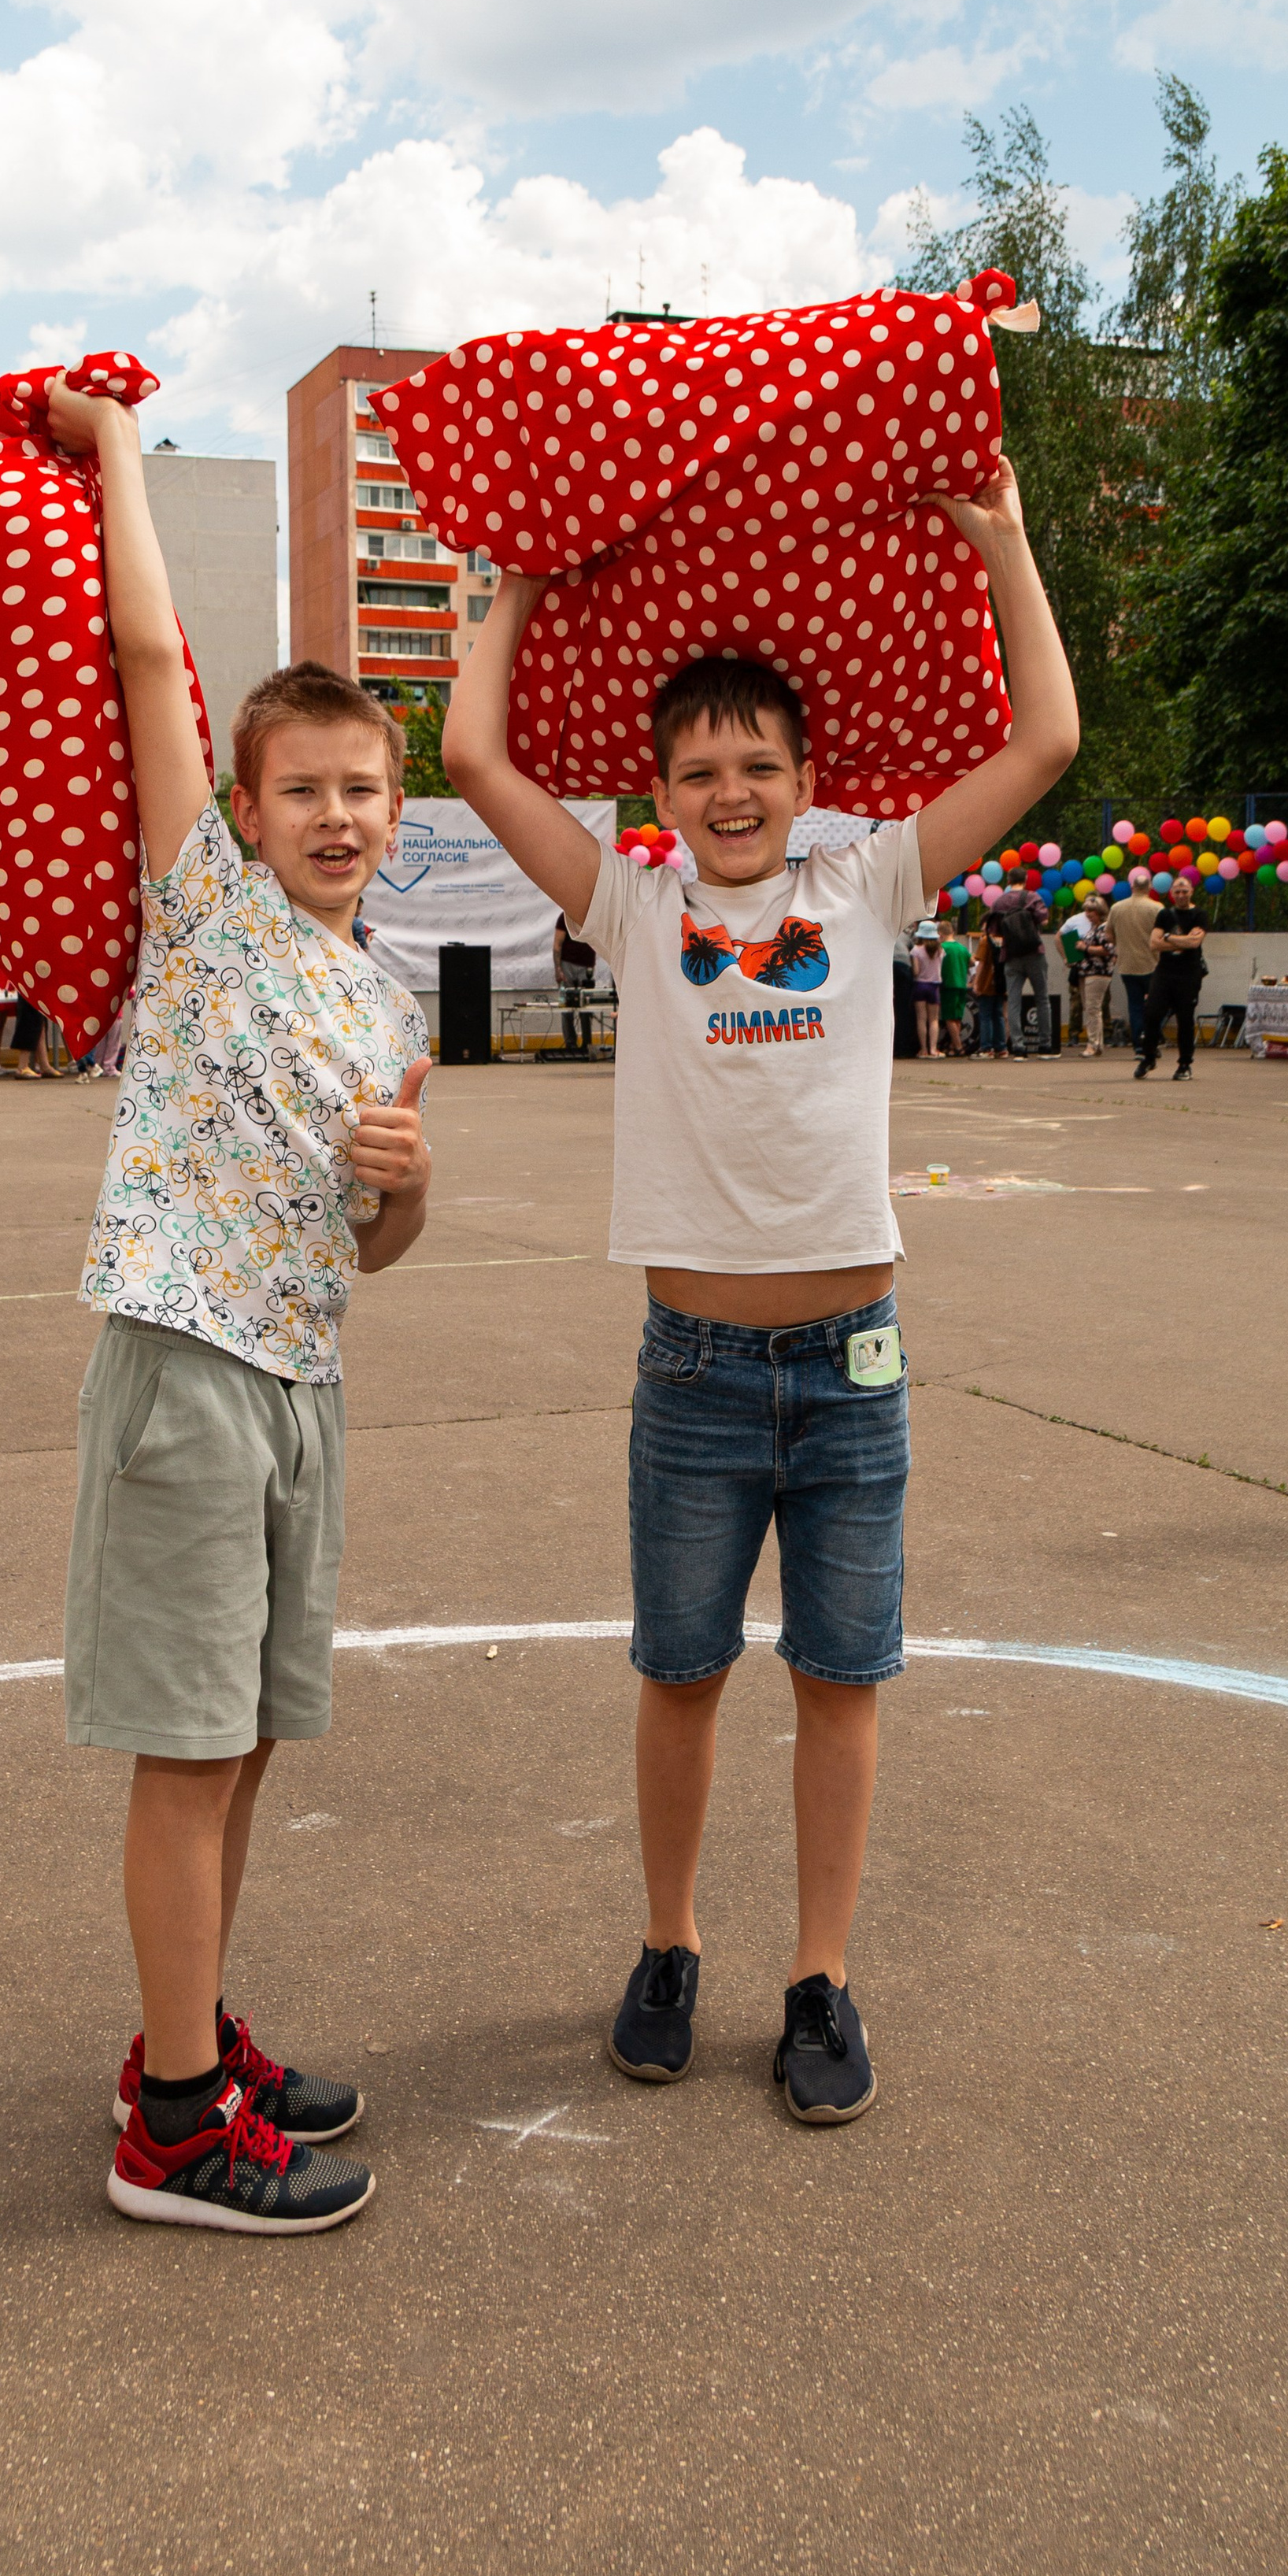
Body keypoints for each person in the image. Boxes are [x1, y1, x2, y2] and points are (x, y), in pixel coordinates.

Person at [444, 453, 1079, 2126]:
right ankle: (667, 1945)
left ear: (808, 777)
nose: (727, 794)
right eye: (695, 770)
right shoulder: (629, 901)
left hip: (851, 1369)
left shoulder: (863, 882)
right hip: (696, 1375)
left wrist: (1003, 544)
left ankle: (819, 1976)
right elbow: (467, 755)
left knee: (839, 1678)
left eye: (756, 766)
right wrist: (514, 579)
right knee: (675, 1671)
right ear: (654, 790)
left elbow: (1043, 746)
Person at [47, 370, 432, 2238]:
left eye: (364, 788)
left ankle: (183, 2035)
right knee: (188, 1740)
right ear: (252, 810)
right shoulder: (205, 913)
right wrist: (117, 451)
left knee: (248, 1728)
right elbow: (146, 663)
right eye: (304, 789)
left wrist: (402, 1200)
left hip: (299, 1377)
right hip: (190, 1359)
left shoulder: (387, 1006)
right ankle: (173, 2123)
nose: (336, 813)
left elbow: (367, 1248)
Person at [1135, 885, 1206, 1079]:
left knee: (1185, 1019)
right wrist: (1181, 940)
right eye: (1177, 892)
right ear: (1172, 894)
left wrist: (1168, 937)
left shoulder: (1199, 914)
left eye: (1185, 891)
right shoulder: (1165, 914)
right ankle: (1149, 1057)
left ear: (1192, 891)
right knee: (1152, 1013)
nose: (1181, 895)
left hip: (1189, 973)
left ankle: (1184, 1064)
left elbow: (1194, 943)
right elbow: (1154, 944)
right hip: (1164, 972)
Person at [987, 883, 1053, 1057]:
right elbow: (1044, 919)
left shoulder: (999, 902)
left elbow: (994, 931)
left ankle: (1018, 1047)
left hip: (1011, 955)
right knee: (1042, 999)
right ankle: (1045, 1046)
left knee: (1014, 1002)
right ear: (1024, 881)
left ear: (1008, 881)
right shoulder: (1032, 897)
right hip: (1034, 953)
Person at [1110, 874, 1163, 1052]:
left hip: (1127, 965)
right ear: (1149, 888)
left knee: (1135, 1005)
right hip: (1152, 964)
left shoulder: (1117, 908)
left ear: (1132, 887)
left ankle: (1138, 1045)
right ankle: (1151, 1041)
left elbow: (1109, 935)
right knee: (1156, 1005)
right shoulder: (1157, 908)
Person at [556, 910, 599, 1053]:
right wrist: (558, 969)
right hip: (568, 963)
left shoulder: (593, 917)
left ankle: (587, 1043)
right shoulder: (564, 918)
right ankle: (570, 1043)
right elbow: (557, 944)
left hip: (586, 966)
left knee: (585, 1007)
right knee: (567, 1005)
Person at [1079, 907, 1116, 1057]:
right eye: (1086, 911)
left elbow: (1108, 950)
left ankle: (1092, 1044)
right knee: (1093, 1009)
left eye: (1091, 912)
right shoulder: (1093, 928)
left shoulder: (1105, 928)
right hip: (1087, 971)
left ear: (1099, 913)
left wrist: (1085, 947)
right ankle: (1097, 1043)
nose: (1087, 915)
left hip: (1098, 972)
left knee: (1092, 1008)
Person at [970, 927, 1009, 1057]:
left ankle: (986, 1048)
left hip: (986, 984)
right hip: (1001, 985)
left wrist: (976, 983)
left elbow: (981, 964)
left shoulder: (985, 941)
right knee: (999, 1016)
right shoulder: (1005, 939)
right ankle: (1001, 1048)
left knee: (986, 1017)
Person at [939, 917, 972, 1056]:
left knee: (949, 1017)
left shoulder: (942, 948)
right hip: (962, 985)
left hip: (948, 984)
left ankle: (958, 1047)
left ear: (941, 934)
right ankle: (953, 1045)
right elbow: (972, 962)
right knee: (958, 1017)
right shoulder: (962, 948)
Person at [8, 996, 58, 1079]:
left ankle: (44, 1065)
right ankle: (22, 1066)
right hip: (29, 988)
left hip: (38, 988)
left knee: (41, 1023)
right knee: (30, 1020)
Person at [910, 931, 944, 1057]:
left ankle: (923, 1049)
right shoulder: (940, 951)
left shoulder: (916, 950)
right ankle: (933, 1049)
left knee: (921, 1019)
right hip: (934, 986)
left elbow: (916, 971)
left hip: (920, 985)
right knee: (934, 1019)